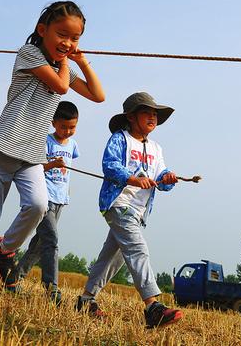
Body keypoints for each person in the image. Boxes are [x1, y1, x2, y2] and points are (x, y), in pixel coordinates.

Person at [0, 1, 105, 294]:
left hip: (31, 155)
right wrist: (67, 61)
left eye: (75, 38)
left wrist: (81, 61)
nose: (68, 43)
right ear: (42, 31)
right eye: (61, 35)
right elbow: (61, 87)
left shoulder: (64, 66)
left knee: (39, 206)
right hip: (3, 147)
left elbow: (98, 95)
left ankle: (6, 248)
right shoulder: (29, 54)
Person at [75, 92, 183, 329]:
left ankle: (85, 299)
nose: (153, 117)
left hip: (139, 211)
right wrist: (132, 179)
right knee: (137, 249)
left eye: (156, 114)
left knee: (112, 257)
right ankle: (152, 307)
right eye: (147, 112)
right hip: (119, 204)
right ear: (132, 117)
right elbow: (110, 165)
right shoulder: (120, 139)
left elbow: (162, 177)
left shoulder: (156, 147)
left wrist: (168, 178)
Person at [8, 100, 80, 304]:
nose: (67, 131)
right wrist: (52, 164)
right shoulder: (45, 141)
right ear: (53, 123)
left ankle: (14, 277)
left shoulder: (73, 145)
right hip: (45, 196)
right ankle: (52, 288)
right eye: (63, 127)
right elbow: (35, 169)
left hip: (61, 198)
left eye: (72, 127)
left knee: (40, 244)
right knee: (52, 241)